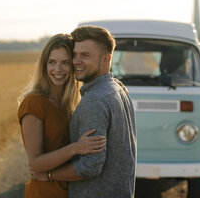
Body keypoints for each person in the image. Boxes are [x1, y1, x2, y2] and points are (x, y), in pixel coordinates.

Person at [41, 25, 137, 198]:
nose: (76, 61)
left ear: (106, 59)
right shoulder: (119, 90)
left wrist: (50, 175)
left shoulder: (95, 100)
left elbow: (89, 166)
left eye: (85, 55)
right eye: (75, 54)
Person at [18, 33, 107, 198]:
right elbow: (36, 164)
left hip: (71, 191)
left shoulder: (72, 102)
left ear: (73, 65)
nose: (57, 70)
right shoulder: (34, 102)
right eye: (52, 62)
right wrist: (76, 148)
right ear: (44, 64)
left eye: (65, 63)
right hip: (44, 192)